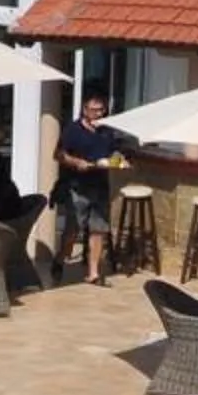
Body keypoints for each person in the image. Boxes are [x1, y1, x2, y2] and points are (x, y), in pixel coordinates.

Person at [54, 93, 132, 284]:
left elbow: (114, 152)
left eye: (101, 110)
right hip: (77, 186)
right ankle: (60, 259)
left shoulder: (106, 131)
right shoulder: (73, 130)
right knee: (73, 230)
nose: (98, 114)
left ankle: (93, 273)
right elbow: (59, 154)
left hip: (100, 184)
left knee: (99, 229)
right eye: (93, 110)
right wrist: (76, 162)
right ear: (84, 110)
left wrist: (119, 161)